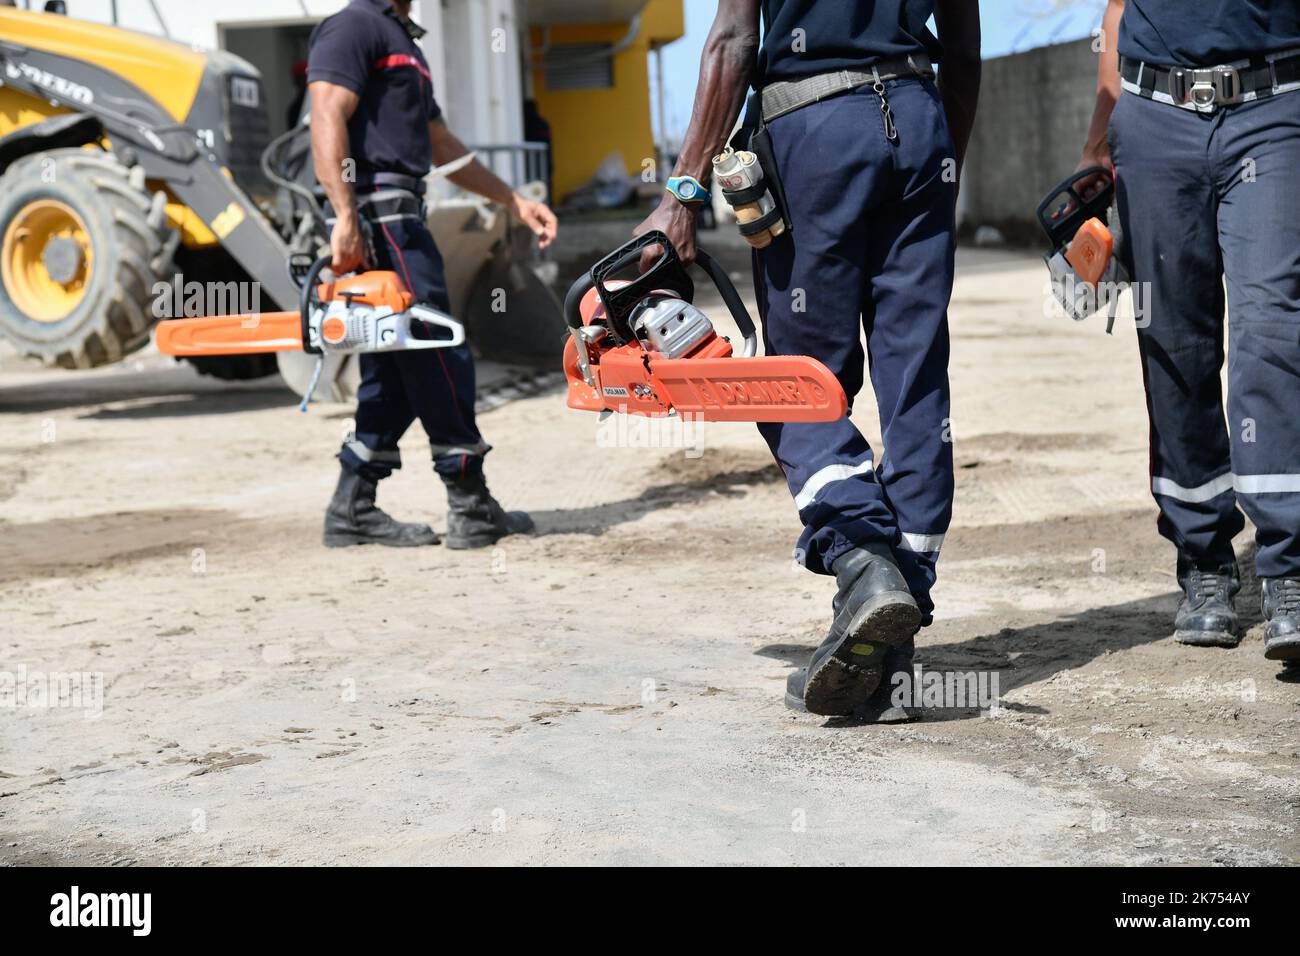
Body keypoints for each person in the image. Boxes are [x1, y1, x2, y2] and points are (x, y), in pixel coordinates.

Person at [636, 0, 982, 717]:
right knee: (914, 379)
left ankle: (864, 563)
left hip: (814, 135)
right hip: (920, 122)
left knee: (794, 383)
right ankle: (892, 637)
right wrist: (943, 158)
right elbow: (965, 38)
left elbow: (733, 35)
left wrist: (681, 196)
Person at [1076, 0, 1300, 663]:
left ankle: (1287, 568)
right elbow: (1117, 9)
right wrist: (1096, 145)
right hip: (1153, 119)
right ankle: (1204, 560)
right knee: (1175, 344)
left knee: (1272, 330)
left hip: (1275, 108)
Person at [308, 0, 557, 549]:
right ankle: (469, 500)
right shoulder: (355, 25)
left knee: (397, 368)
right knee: (437, 348)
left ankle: (352, 505)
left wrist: (513, 199)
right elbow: (325, 112)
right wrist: (346, 216)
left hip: (398, 213)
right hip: (380, 217)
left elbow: (441, 144)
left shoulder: (404, 43)